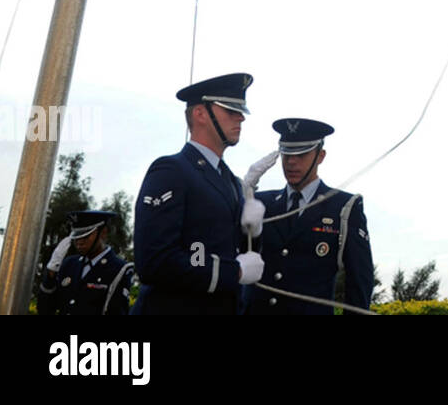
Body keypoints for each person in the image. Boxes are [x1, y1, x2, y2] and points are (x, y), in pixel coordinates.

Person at [132, 73, 265, 314]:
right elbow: (154, 261)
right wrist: (233, 272)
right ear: (200, 114)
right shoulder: (171, 170)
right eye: (230, 110)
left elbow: (231, 250)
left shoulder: (231, 182)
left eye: (240, 111)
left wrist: (253, 233)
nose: (240, 118)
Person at [244, 117, 374, 315]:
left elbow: (359, 283)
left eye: (302, 155)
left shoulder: (344, 207)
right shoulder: (261, 203)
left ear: (320, 156)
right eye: (286, 155)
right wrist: (239, 198)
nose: (291, 162)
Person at [36, 210, 133, 316]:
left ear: (103, 233)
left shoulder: (119, 268)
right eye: (77, 236)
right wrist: (51, 274)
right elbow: (45, 309)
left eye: (85, 236)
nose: (79, 242)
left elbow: (116, 311)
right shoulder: (69, 264)